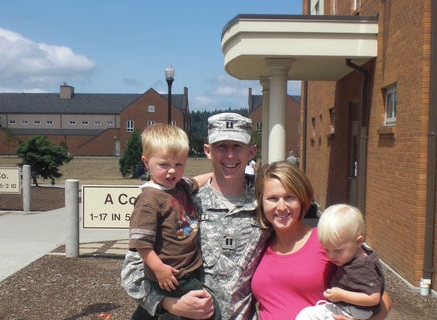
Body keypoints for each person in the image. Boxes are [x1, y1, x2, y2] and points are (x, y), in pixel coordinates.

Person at [122, 112, 270, 319]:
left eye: (237, 146)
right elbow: (133, 270)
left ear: (252, 151)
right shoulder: (181, 201)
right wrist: (167, 303)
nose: (229, 155)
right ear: (208, 151)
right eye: (221, 147)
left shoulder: (265, 207)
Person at [251, 162, 390, 320]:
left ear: (302, 199)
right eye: (273, 198)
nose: (281, 207)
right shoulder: (256, 245)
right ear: (261, 202)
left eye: (290, 197)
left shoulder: (328, 242)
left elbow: (382, 300)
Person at [127, 123, 219, 320]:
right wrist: (159, 270)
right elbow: (141, 244)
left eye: (179, 164)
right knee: (210, 311)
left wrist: (216, 175)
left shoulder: (179, 186)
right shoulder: (149, 200)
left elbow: (195, 180)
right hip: (172, 275)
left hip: (188, 270)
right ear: (146, 162)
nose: (172, 171)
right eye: (164, 165)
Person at [296, 204, 384, 320]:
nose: (331, 256)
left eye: (337, 250)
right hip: (353, 308)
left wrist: (341, 295)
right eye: (327, 249)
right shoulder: (353, 255)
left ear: (358, 242)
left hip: (355, 310)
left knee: (306, 315)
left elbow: (374, 298)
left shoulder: (362, 267)